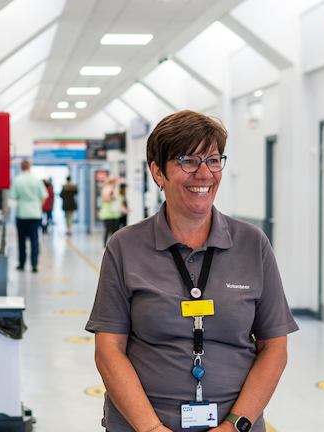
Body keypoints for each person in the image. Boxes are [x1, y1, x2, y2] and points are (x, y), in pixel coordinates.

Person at [86, 110, 298, 432]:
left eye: (213, 160)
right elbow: (108, 351)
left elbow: (274, 348)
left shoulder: (252, 244)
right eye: (188, 160)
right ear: (158, 172)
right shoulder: (125, 248)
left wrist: (234, 425)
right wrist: (152, 429)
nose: (204, 174)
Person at [12, 159, 47, 272]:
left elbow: (13, 196)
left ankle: (21, 264)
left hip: (22, 214)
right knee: (34, 240)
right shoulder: (37, 180)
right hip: (35, 214)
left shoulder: (17, 180)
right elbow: (44, 196)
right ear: (29, 167)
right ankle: (34, 264)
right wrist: (37, 205)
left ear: (21, 167)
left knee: (21, 241)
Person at [99, 176, 122, 245]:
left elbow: (118, 201)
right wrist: (112, 197)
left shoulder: (115, 190)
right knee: (107, 230)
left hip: (115, 214)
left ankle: (114, 245)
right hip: (108, 214)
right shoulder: (106, 189)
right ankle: (105, 245)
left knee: (115, 232)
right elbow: (105, 199)